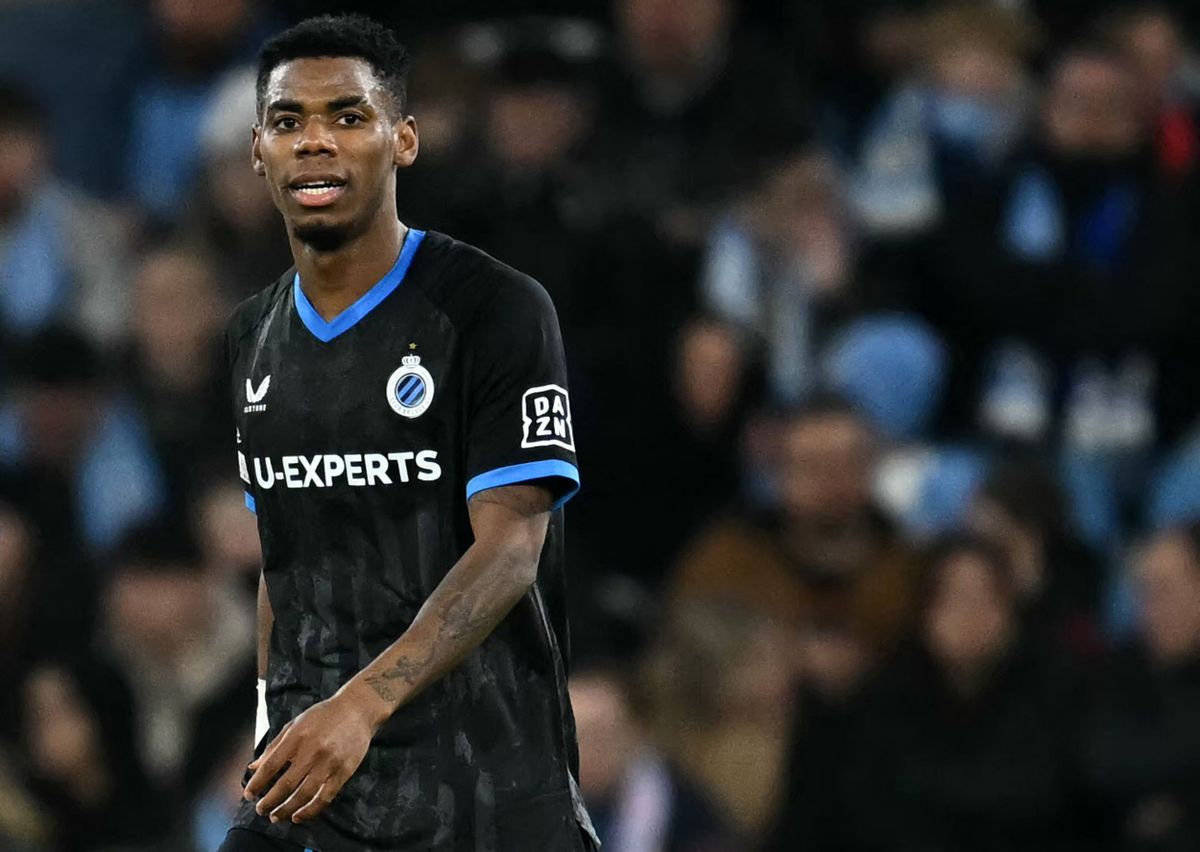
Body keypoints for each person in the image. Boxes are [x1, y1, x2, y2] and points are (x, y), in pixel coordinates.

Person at [219, 15, 594, 852]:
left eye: (348, 117)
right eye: (289, 122)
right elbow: (285, 556)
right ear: (257, 151)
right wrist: (268, 717)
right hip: (318, 792)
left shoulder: (493, 308)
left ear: (404, 141)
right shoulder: (251, 338)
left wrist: (360, 705)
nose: (315, 141)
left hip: (486, 796)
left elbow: (510, 549)